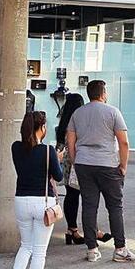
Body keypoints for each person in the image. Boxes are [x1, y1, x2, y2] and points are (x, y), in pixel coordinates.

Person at [67, 80, 135, 263]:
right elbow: (123, 142)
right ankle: (120, 249)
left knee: (89, 206)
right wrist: (123, 165)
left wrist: (77, 162)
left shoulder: (77, 113)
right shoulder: (112, 112)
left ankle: (92, 249)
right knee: (115, 207)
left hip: (84, 164)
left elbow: (70, 142)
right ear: (103, 93)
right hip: (108, 165)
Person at [7, 111, 63, 269]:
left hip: (21, 200)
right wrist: (58, 158)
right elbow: (59, 176)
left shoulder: (15, 148)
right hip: (42, 203)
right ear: (42, 128)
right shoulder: (48, 151)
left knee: (26, 245)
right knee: (39, 251)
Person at [54, 94, 112, 245]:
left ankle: (71, 230)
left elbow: (60, 147)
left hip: (68, 162)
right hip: (81, 160)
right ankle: (93, 230)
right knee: (89, 197)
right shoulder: (80, 120)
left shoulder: (63, 123)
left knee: (71, 195)